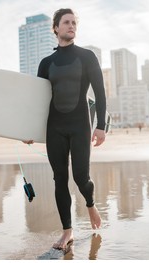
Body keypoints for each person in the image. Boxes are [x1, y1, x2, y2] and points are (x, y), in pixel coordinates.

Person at [24, 8, 107, 250]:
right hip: (55, 127)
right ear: (56, 28)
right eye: (66, 22)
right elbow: (39, 101)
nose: (71, 26)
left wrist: (101, 126)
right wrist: (27, 130)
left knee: (81, 178)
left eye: (74, 23)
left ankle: (90, 204)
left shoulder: (87, 57)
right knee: (59, 179)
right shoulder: (46, 63)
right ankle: (67, 231)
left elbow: (100, 94)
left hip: (80, 125)